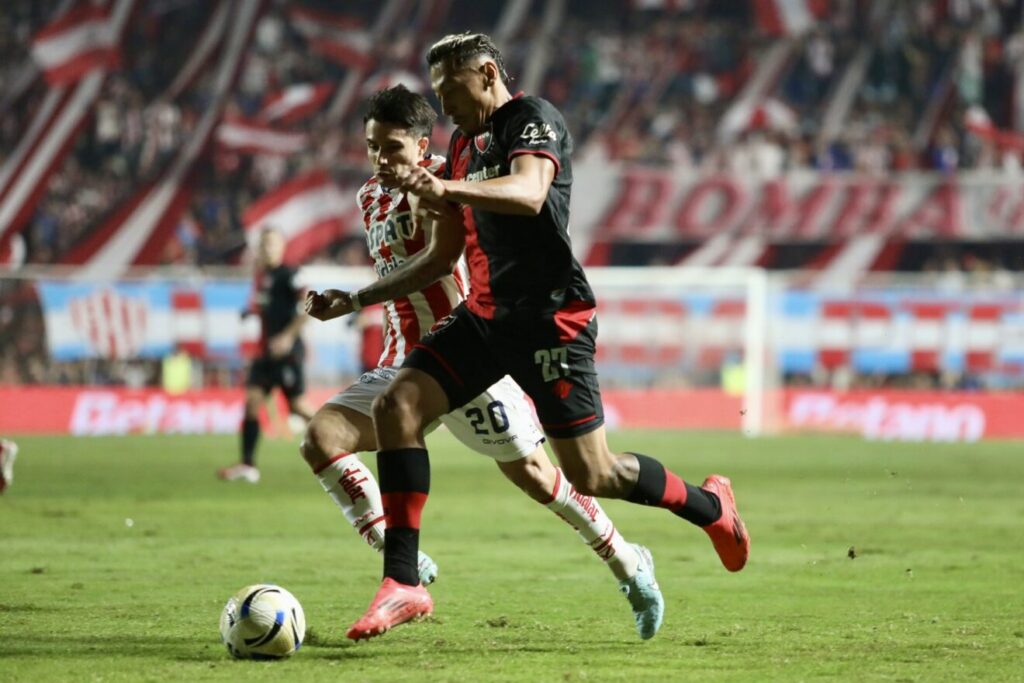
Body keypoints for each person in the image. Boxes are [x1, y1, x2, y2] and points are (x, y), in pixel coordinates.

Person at [342, 33, 750, 640]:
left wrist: (445, 189)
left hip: (551, 322)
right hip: (485, 318)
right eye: (437, 92)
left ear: (487, 74)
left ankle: (711, 507)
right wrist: (358, 298)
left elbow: (530, 193)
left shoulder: (531, 120)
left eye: (451, 89)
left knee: (593, 475)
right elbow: (442, 256)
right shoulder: (461, 145)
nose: (444, 104)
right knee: (396, 405)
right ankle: (402, 582)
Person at [303, 85, 663, 639]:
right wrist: (352, 301)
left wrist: (357, 298)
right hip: (402, 364)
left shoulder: (452, 180)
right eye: (373, 146)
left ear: (422, 146)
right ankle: (401, 562)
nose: (380, 159)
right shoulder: (369, 196)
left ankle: (629, 562)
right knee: (320, 438)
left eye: (392, 147)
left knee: (541, 479)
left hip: (465, 357)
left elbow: (443, 259)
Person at [218, 228, 315, 483]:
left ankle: (343, 440)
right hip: (265, 354)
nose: (267, 249)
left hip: (287, 353)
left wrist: (287, 337)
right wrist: (250, 313)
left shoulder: (290, 274)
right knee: (252, 402)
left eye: (272, 244)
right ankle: (248, 465)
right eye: (263, 245)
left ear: (282, 247)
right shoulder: (262, 277)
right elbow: (266, 308)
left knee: (297, 406)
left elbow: (309, 306)